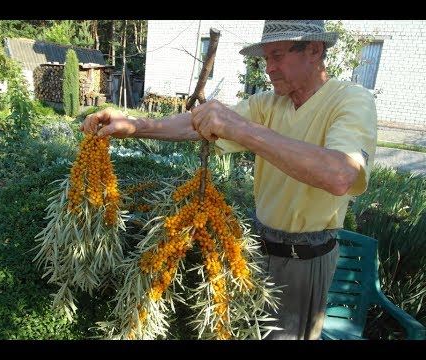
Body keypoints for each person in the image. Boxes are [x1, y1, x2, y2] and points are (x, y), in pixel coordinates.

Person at [80, 20, 377, 340]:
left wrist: (241, 129)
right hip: (255, 251)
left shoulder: (351, 100)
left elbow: (340, 174)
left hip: (303, 264)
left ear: (314, 50)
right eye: (266, 59)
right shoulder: (269, 103)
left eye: (276, 55)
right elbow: (200, 124)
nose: (269, 68)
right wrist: (135, 125)